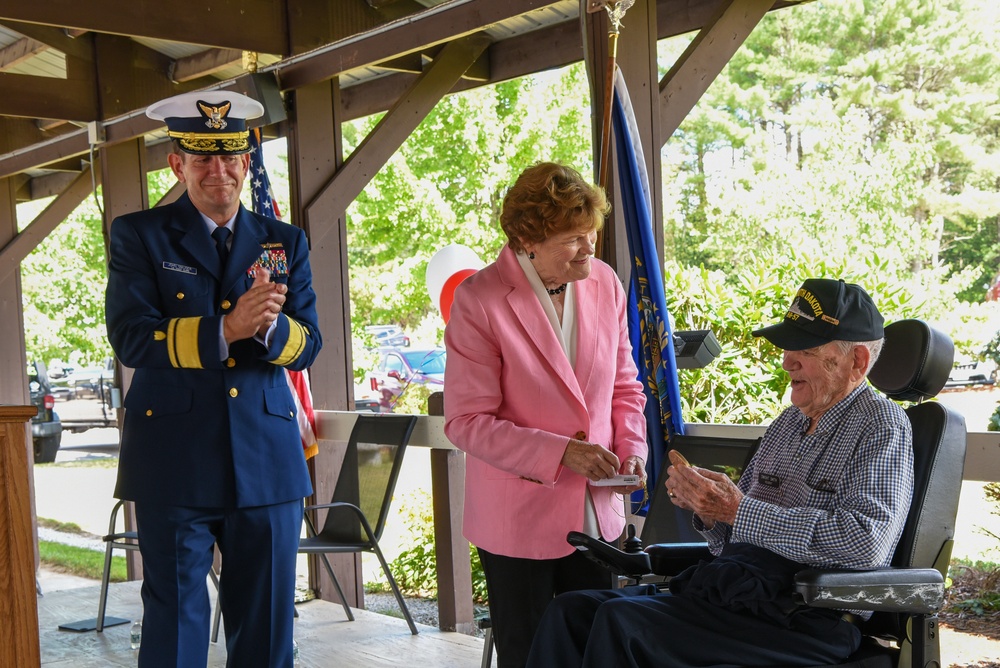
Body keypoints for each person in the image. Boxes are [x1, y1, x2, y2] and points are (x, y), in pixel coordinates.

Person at [526, 278, 914, 668]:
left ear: (857, 361)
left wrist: (737, 510)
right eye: (788, 348)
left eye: (806, 350)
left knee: (622, 623)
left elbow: (867, 543)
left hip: (805, 616)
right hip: (741, 596)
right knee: (571, 613)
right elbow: (728, 540)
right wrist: (710, 512)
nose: (786, 362)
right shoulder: (786, 425)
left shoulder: (882, 425)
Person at [104, 91, 322, 667]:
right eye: (202, 158)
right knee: (176, 623)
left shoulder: (285, 241)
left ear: (247, 161)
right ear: (177, 164)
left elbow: (309, 346)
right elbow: (131, 338)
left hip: (267, 461)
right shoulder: (140, 235)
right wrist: (225, 329)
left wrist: (269, 332)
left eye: (230, 158)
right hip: (174, 460)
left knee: (269, 627)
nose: (218, 172)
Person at [443, 162, 649, 668]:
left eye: (591, 234)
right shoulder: (479, 300)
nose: (589, 249)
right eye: (573, 238)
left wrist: (633, 450)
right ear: (526, 237)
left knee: (598, 653)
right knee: (531, 655)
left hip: (599, 515)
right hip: (516, 521)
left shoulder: (605, 284)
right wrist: (562, 453)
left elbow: (625, 385)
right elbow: (466, 421)